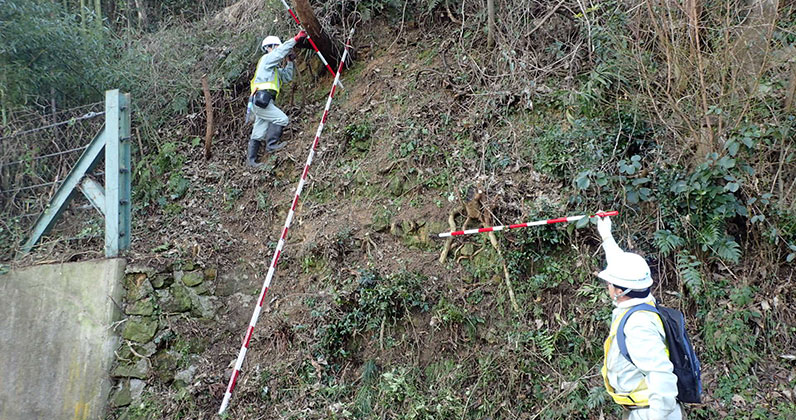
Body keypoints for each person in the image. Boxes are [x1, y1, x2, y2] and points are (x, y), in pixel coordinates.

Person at [596, 215, 682, 420]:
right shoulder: (644, 300)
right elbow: (624, 267)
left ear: (620, 290)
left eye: (610, 283)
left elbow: (660, 374)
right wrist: (606, 236)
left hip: (650, 413)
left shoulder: (638, 324)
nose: (608, 287)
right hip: (640, 409)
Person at [246, 30, 307, 167]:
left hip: (263, 101)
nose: (277, 49)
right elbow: (279, 53)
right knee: (282, 119)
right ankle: (272, 145)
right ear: (268, 48)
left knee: (259, 131)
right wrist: (295, 39)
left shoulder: (272, 70)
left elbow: (286, 77)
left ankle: (251, 160)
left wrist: (290, 62)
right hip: (261, 99)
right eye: (275, 47)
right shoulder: (266, 60)